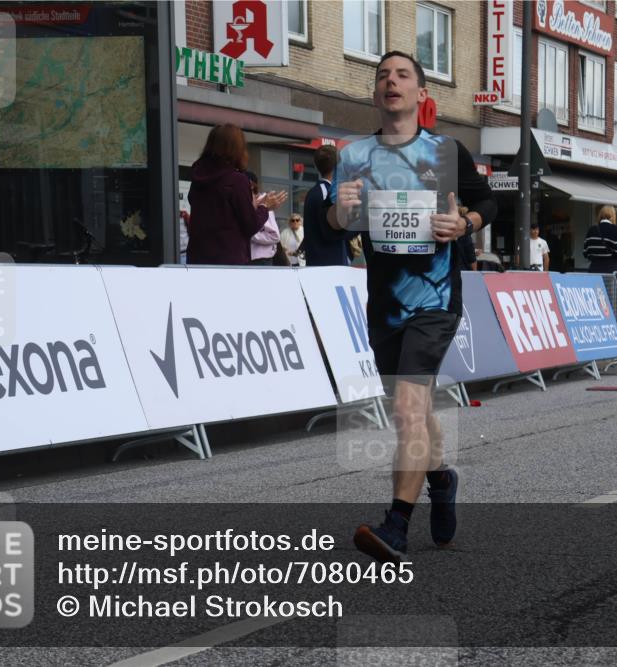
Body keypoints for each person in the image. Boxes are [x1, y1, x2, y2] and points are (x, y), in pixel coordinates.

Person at [326, 51, 497, 563]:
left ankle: (396, 524)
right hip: (385, 305)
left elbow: (488, 202)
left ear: (421, 93)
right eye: (382, 76)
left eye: (402, 75)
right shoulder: (353, 155)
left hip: (436, 300)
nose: (391, 82)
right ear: (375, 93)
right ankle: (440, 479)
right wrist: (340, 211)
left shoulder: (447, 151)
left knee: (406, 409)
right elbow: (336, 223)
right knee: (414, 412)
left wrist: (464, 223)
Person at [186, 124, 286, 265]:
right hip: (228, 260)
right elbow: (250, 225)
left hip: (198, 257)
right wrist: (265, 206)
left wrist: (253, 205)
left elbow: (216, 210)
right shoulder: (236, 180)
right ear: (237, 149)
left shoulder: (198, 177)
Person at [303, 145, 352, 266]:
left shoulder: (316, 191)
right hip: (330, 264)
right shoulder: (329, 193)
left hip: (320, 263)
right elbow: (334, 230)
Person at [245, 171, 281, 266]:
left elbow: (275, 236)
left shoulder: (263, 203)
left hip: (261, 259)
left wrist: (249, 233)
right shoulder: (246, 202)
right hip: (249, 257)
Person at [583, 205, 617, 273]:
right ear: (613, 215)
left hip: (594, 269)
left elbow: (585, 253)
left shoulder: (591, 230)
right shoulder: (614, 229)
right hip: (610, 271)